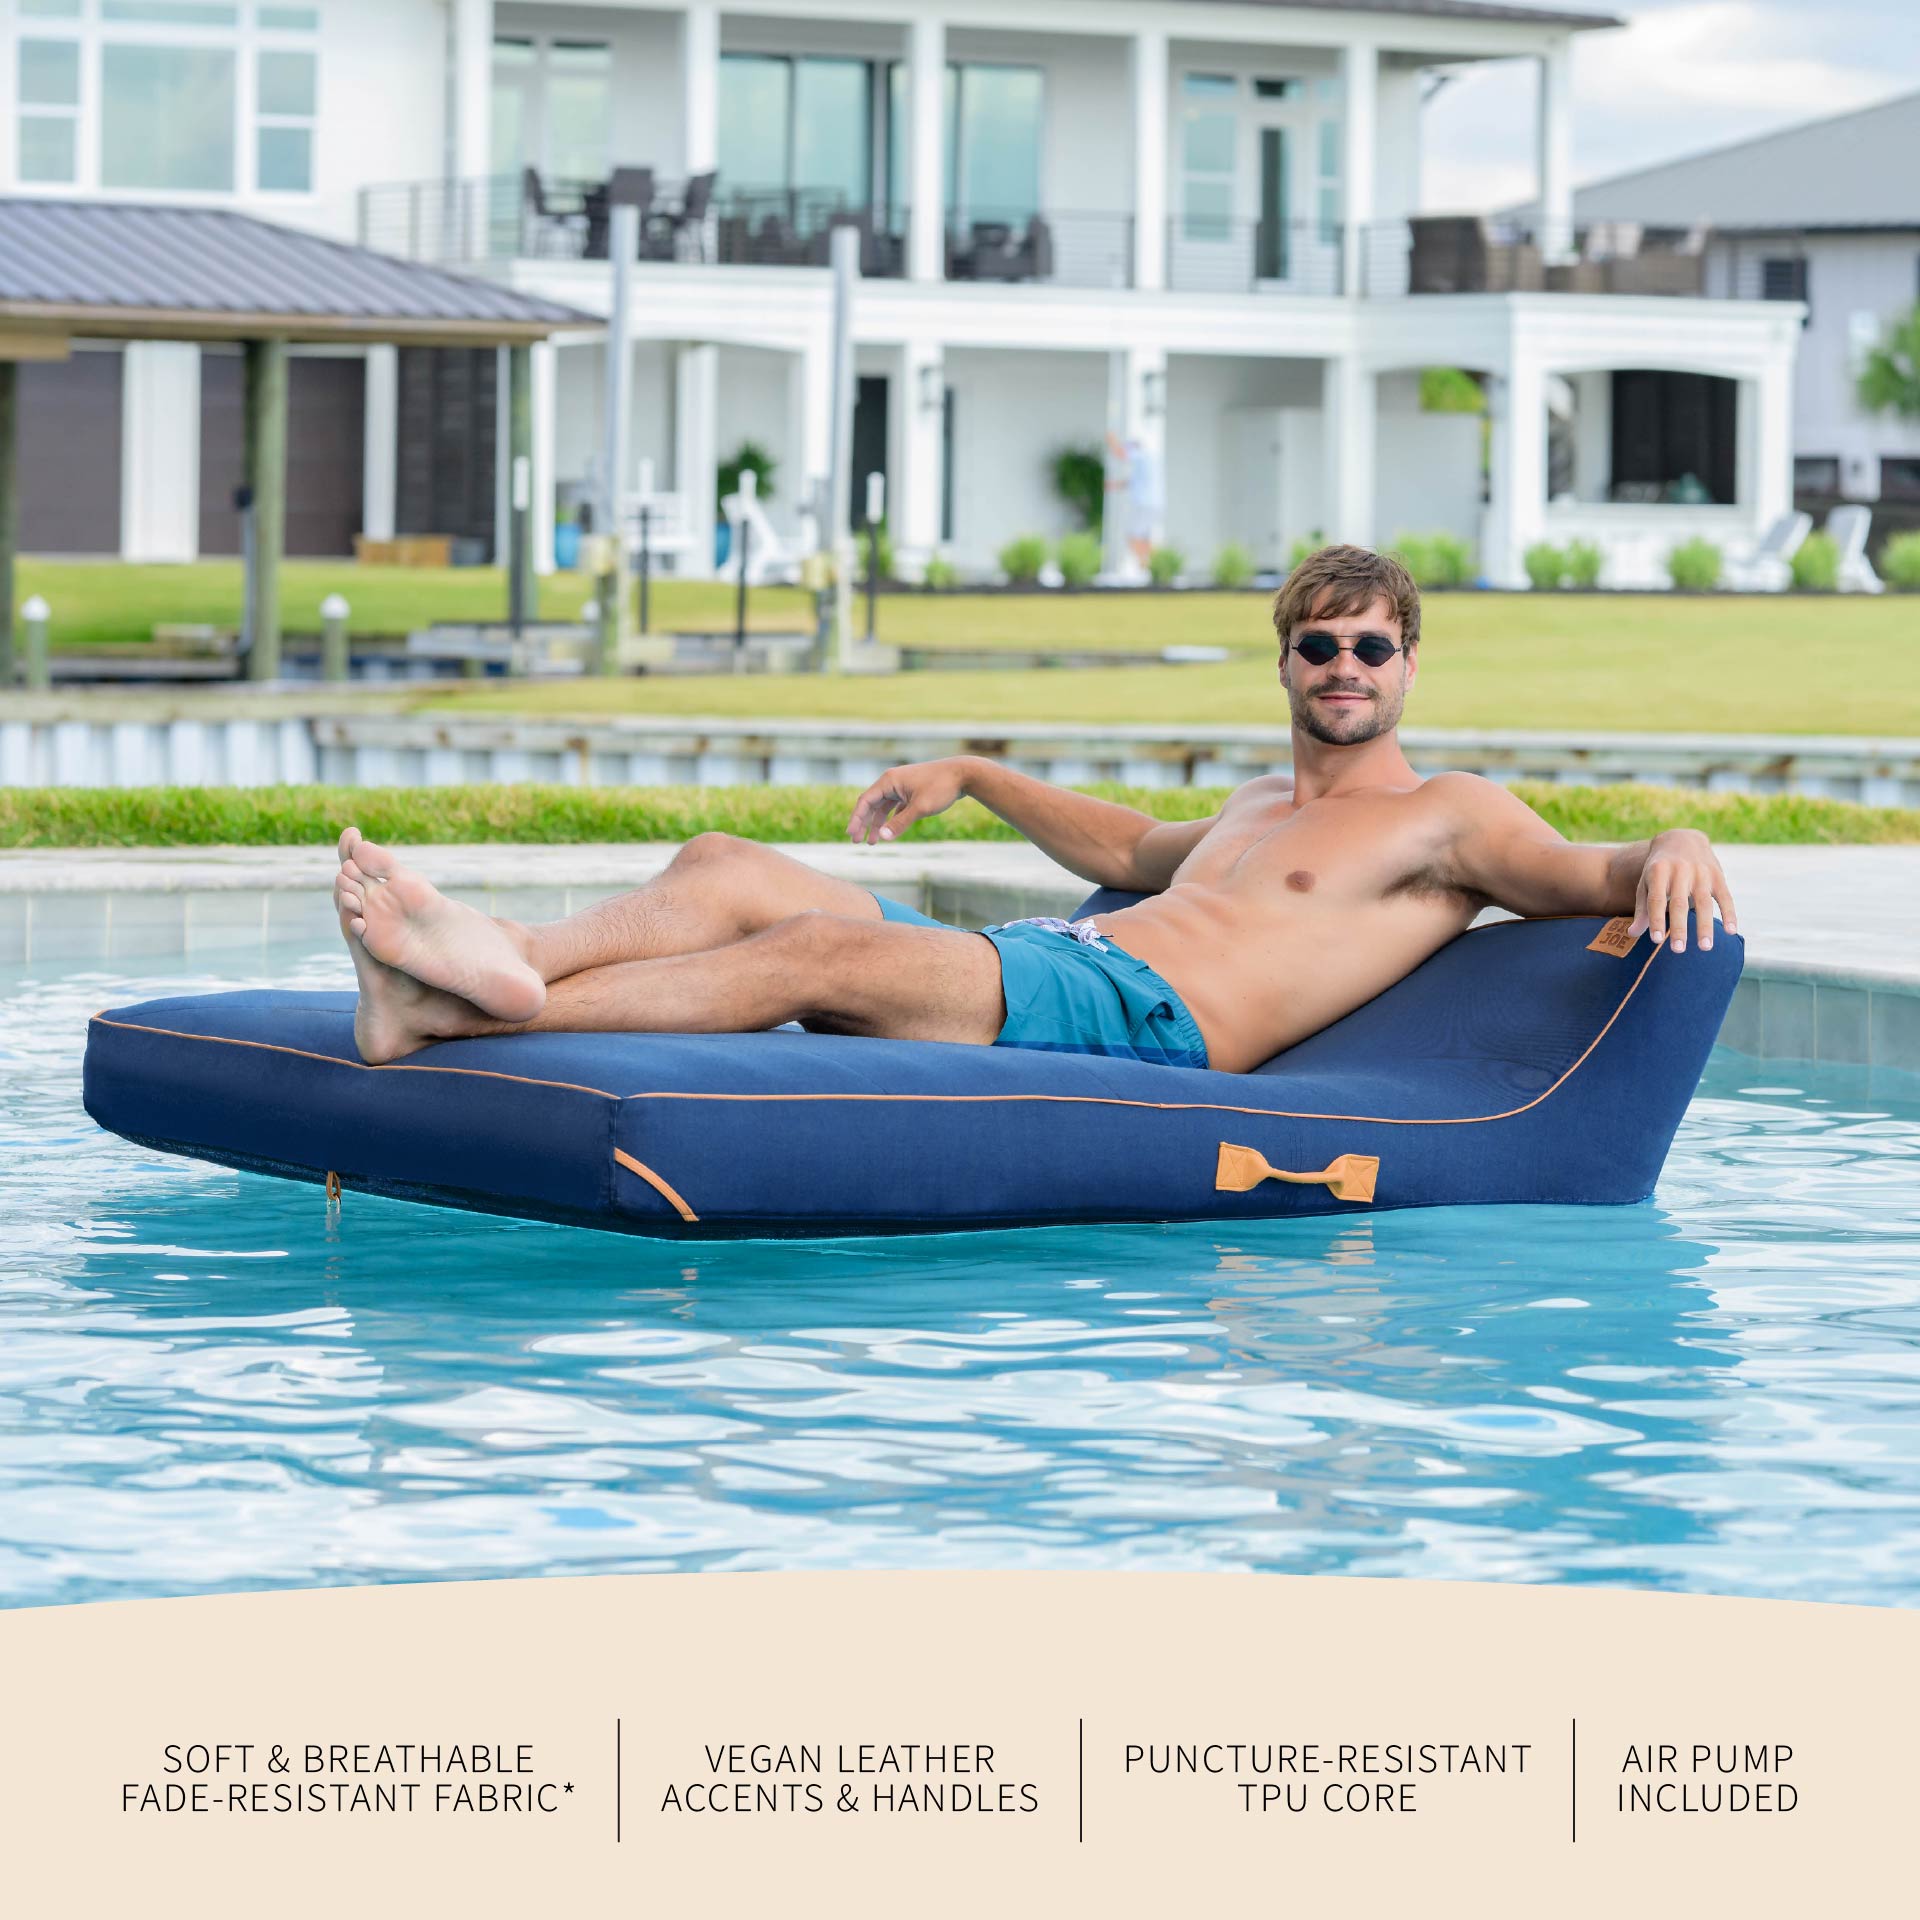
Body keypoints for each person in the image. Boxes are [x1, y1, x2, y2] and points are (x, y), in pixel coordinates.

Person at [332, 544, 1736, 1075]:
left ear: (1410, 665)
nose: (1348, 669)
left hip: (1146, 1027)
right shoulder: (1255, 807)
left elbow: (1576, 870)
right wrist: (976, 776)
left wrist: (1668, 844)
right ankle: (502, 940)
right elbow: (1125, 852)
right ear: (1289, 664)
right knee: (726, 861)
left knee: (820, 959)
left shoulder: (1447, 819)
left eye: (1374, 648)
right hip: (1073, 963)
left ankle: (460, 1011)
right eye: (1323, 646)